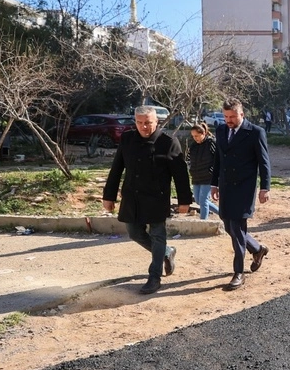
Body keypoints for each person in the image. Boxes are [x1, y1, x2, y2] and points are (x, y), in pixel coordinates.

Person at [102, 106, 192, 295]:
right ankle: (167, 252)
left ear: (156, 121)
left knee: (158, 235)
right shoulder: (127, 139)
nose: (144, 127)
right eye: (140, 123)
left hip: (156, 199)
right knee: (134, 233)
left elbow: (181, 175)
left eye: (148, 123)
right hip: (132, 197)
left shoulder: (168, 142)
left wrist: (185, 200)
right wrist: (108, 196)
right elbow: (116, 169)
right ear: (135, 122)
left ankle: (154, 277)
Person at [210, 98, 271, 291]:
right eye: (226, 116)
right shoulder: (220, 130)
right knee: (229, 226)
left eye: (232, 116)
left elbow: (264, 162)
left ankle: (239, 272)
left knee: (237, 229)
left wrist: (265, 187)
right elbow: (218, 158)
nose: (228, 120)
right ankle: (257, 249)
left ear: (241, 114)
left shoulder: (255, 132)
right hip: (226, 186)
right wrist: (214, 184)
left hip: (244, 188)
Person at [187, 123, 222, 220]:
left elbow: (218, 160)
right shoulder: (193, 146)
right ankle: (222, 214)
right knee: (198, 201)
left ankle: (203, 223)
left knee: (203, 201)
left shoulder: (211, 143)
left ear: (203, 133)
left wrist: (215, 174)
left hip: (208, 177)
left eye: (197, 136)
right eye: (193, 136)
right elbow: (189, 159)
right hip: (196, 177)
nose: (195, 138)